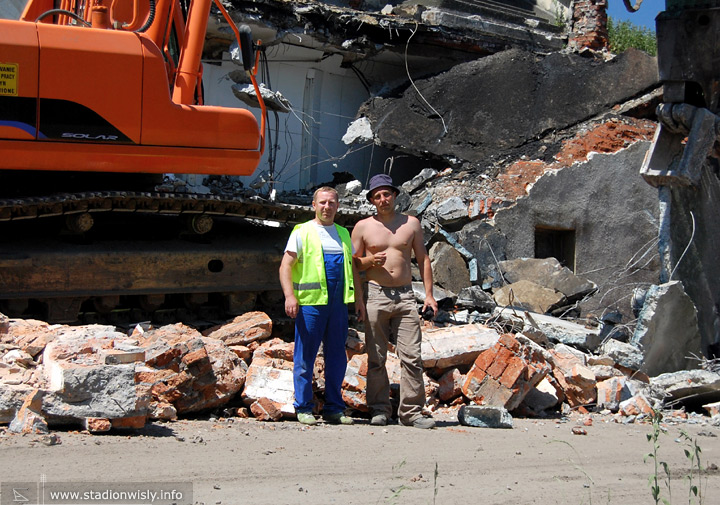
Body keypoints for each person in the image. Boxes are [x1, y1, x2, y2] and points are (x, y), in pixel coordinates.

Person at [351, 174, 439, 429]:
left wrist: (429, 295)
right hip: (375, 294)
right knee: (376, 357)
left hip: (405, 296)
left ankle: (411, 412)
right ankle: (379, 409)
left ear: (395, 195)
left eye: (387, 194)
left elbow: (423, 259)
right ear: (371, 200)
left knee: (412, 356)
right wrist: (360, 293)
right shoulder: (363, 227)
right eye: (377, 196)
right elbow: (353, 264)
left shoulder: (411, 224)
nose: (383, 199)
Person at [279, 186, 365, 425]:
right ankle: (303, 407)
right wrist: (289, 296)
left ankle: (334, 408)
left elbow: (352, 269)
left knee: (337, 357)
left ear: (338, 206)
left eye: (332, 203)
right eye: (323, 202)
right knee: (305, 357)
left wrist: (359, 299)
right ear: (314, 205)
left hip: (338, 306)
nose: (327, 207)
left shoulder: (343, 234)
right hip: (311, 306)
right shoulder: (302, 231)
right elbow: (285, 266)